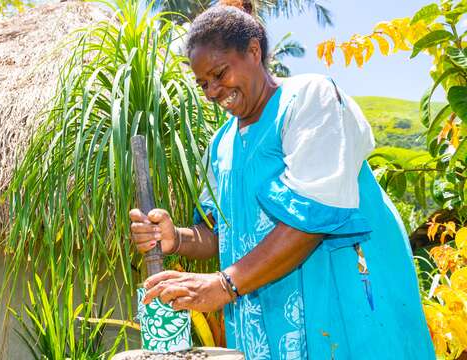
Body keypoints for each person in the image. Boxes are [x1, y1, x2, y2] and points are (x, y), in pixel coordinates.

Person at [128, 3, 435, 359]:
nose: (212, 91)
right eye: (203, 83)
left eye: (220, 73)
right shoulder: (222, 144)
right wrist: (176, 238)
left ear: (254, 52)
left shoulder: (310, 100)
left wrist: (225, 284)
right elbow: (219, 233)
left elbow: (312, 217)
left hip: (338, 302)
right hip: (262, 319)